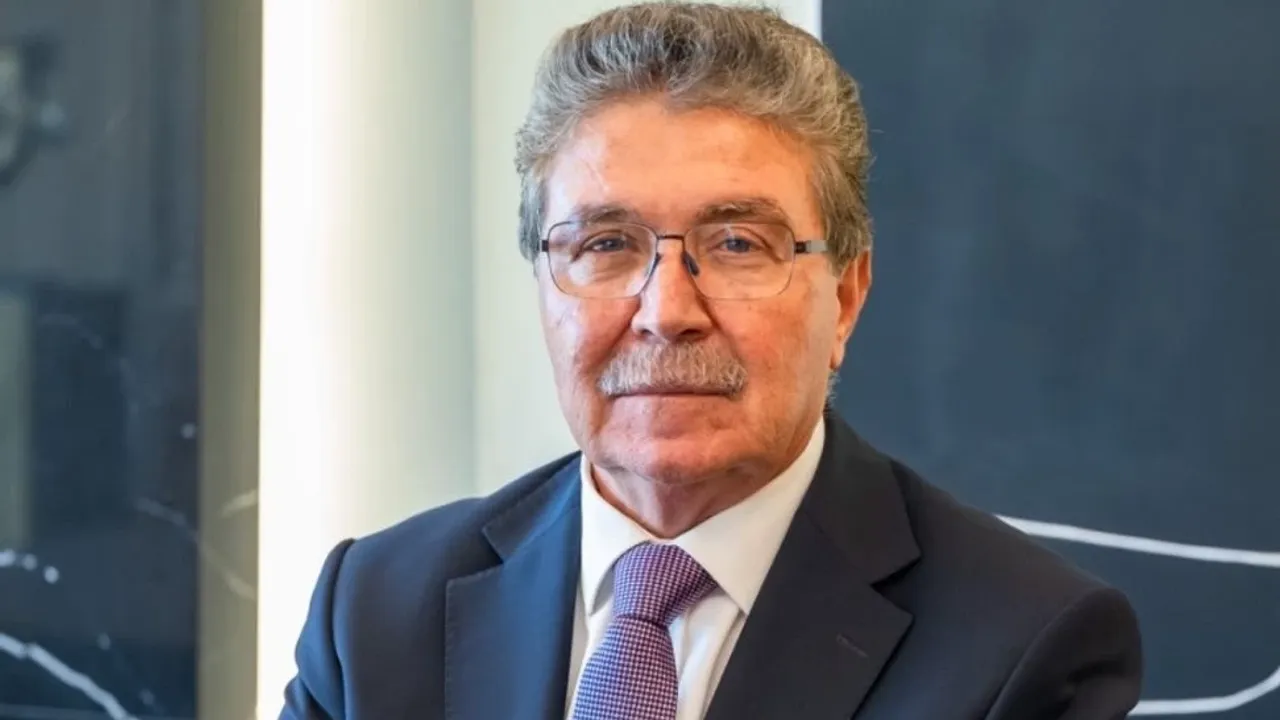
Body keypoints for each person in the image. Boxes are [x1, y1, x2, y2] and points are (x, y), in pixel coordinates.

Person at [279, 3, 1143, 718]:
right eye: (605, 244)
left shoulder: (1024, 646)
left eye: (736, 244)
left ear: (845, 296)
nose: (666, 314)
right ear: (542, 286)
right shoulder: (375, 614)